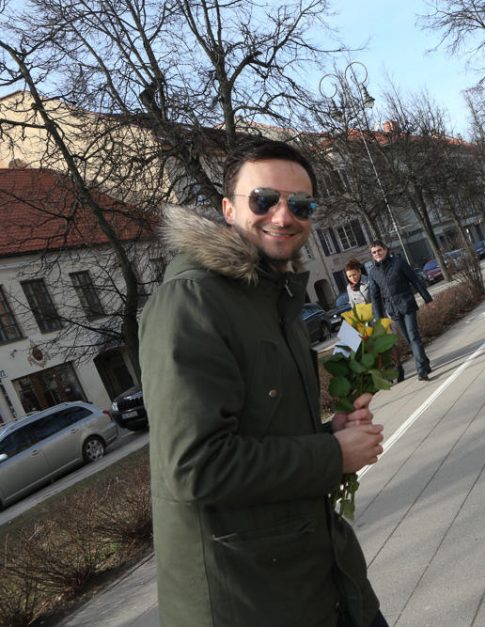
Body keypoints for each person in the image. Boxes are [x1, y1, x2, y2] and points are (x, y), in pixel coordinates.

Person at [139, 138, 387, 627]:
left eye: (301, 204)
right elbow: (196, 466)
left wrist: (328, 436)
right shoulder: (191, 303)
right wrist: (333, 456)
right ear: (228, 209)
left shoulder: (271, 297)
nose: (283, 215)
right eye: (263, 199)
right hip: (247, 600)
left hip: (312, 579)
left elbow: (260, 436)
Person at [369, 240, 434, 381]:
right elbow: (375, 297)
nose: (377, 254)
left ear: (385, 250)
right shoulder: (373, 273)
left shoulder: (398, 263)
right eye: (374, 252)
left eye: (379, 250)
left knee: (414, 336)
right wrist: (379, 318)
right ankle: (425, 362)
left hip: (407, 304)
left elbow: (415, 280)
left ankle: (421, 370)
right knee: (409, 340)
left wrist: (427, 299)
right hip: (393, 311)